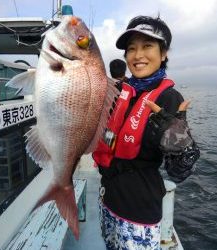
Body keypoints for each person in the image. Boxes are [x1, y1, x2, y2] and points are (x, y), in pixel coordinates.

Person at [93, 15, 200, 250]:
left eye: (147, 46)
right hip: (107, 200)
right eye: (131, 49)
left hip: (139, 214)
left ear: (164, 54)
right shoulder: (120, 91)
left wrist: (179, 141)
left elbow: (179, 172)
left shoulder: (169, 98)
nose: (138, 55)